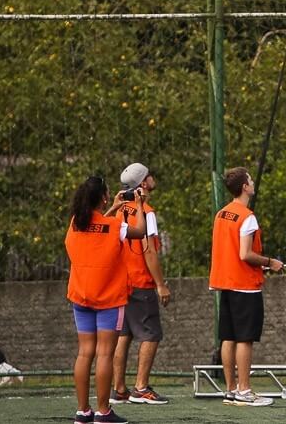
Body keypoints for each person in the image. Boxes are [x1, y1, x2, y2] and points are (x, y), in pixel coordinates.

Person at [66, 175, 146, 424]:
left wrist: (112, 208)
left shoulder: (75, 223)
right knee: (104, 355)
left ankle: (83, 411)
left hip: (81, 296)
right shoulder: (114, 227)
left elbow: (94, 226)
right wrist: (140, 204)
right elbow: (140, 231)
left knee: (84, 353)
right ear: (102, 197)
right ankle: (103, 411)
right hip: (109, 299)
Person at [209, 167, 284, 407]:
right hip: (244, 284)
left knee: (228, 337)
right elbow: (245, 254)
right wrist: (269, 262)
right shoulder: (247, 216)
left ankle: (230, 390)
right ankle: (244, 389)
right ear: (244, 187)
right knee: (245, 338)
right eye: (250, 180)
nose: (253, 183)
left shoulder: (222, 213)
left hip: (225, 282)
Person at [110, 162, 171, 406]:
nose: (153, 178)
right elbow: (149, 252)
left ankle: (119, 389)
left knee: (123, 335)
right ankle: (141, 387)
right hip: (140, 280)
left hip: (121, 281)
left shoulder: (118, 210)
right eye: (149, 176)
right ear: (143, 183)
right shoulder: (146, 211)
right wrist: (160, 284)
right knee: (151, 334)